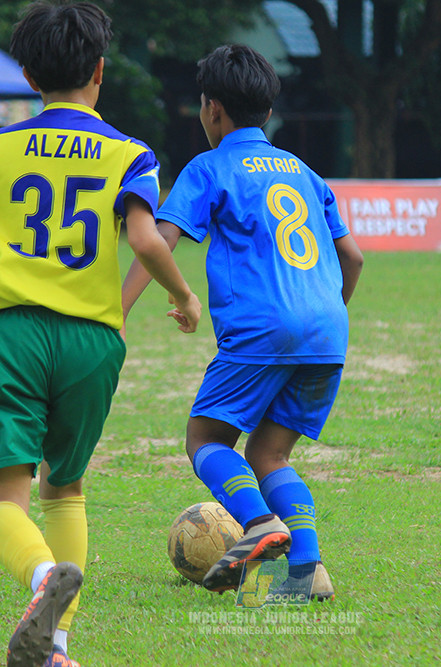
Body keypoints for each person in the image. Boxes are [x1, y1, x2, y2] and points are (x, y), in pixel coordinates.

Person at [0, 3, 201, 666]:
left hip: (14, 331)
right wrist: (184, 296)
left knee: (1, 495)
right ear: (100, 70)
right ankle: (57, 647)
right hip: (93, 339)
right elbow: (145, 239)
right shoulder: (131, 153)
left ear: (29, 76)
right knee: (65, 485)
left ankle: (42, 575)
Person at [121, 44, 363, 599]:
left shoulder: (209, 167)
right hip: (328, 331)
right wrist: (324, 318)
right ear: (268, 112)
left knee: (205, 438)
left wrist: (119, 310)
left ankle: (259, 523)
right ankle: (307, 573)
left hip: (262, 330)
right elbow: (353, 258)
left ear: (211, 109)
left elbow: (159, 240)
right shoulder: (305, 172)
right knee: (270, 454)